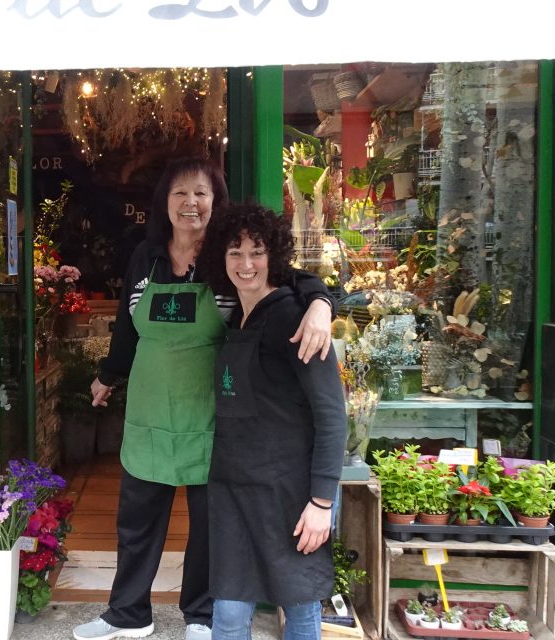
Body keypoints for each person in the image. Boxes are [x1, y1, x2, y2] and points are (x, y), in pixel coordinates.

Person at [73, 158, 335, 640]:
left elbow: (291, 278)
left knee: (209, 526)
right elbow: (127, 326)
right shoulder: (146, 256)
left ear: (217, 201)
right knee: (137, 521)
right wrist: (108, 375)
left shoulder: (227, 254)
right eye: (179, 193)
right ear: (164, 202)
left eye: (201, 193)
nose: (190, 203)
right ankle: (128, 613)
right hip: (150, 409)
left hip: (211, 413)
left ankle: (200, 613)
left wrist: (321, 304)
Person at [198, 202, 348, 640]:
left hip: (289, 495)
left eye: (257, 252)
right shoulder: (237, 314)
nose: (246, 264)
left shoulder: (294, 319)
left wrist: (322, 503)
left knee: (299, 607)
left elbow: (332, 415)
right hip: (232, 490)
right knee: (228, 614)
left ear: (274, 255)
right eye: (235, 252)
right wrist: (320, 295)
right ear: (221, 259)